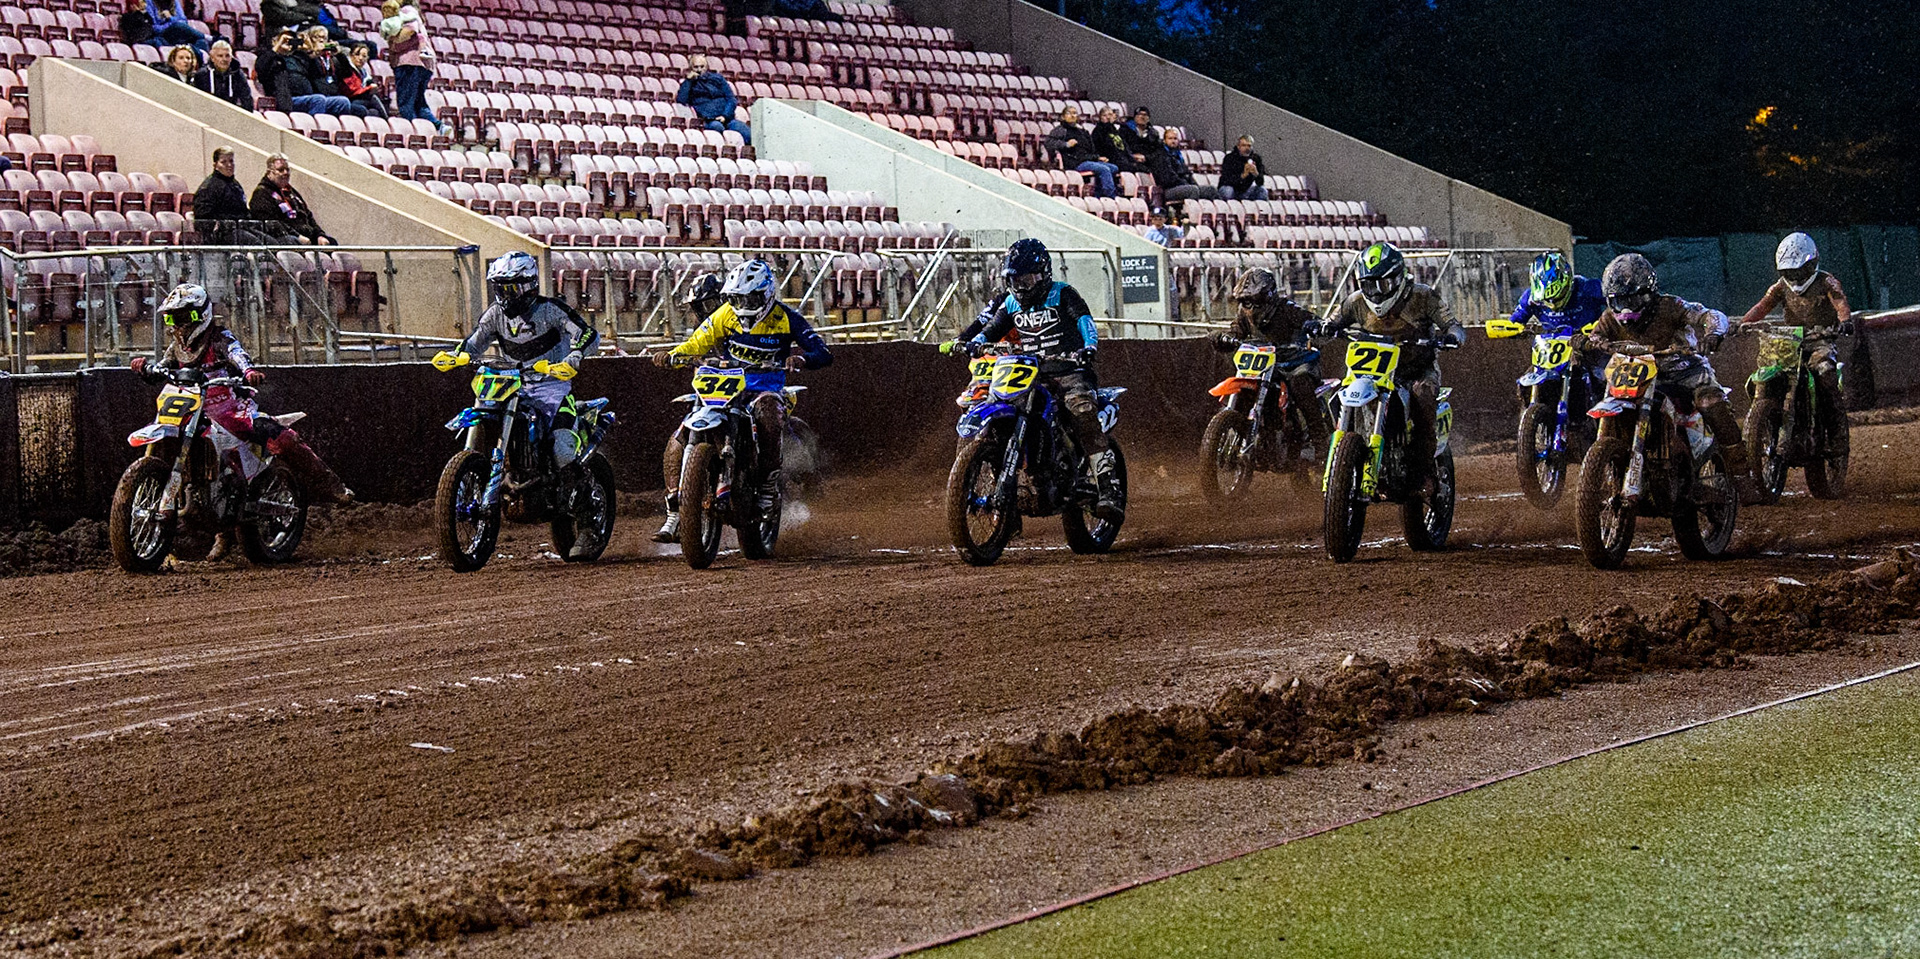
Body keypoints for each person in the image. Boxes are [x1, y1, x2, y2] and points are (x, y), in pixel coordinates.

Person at [648, 259, 832, 542]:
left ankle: (768, 489)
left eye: (750, 297)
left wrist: (802, 359)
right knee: (679, 434)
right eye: (738, 298)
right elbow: (697, 342)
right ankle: (675, 508)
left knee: (769, 416)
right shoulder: (725, 314)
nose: (744, 304)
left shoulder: (787, 318)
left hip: (765, 387)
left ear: (766, 293)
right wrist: (673, 355)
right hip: (725, 385)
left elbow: (822, 351)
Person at [129, 283, 353, 507]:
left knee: (282, 438)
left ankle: (331, 485)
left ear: (202, 314)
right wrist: (145, 369)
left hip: (229, 406)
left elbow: (236, 353)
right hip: (192, 408)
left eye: (183, 316)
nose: (178, 325)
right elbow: (162, 369)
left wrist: (248, 371)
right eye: (172, 319)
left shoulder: (219, 338)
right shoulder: (176, 349)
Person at [966, 238, 1123, 519]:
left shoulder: (1063, 294)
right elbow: (991, 328)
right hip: (1031, 372)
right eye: (1015, 280)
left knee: (1081, 410)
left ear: (1043, 274)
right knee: (1002, 401)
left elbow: (1084, 321)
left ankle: (1109, 487)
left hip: (1069, 371)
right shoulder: (1011, 303)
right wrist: (975, 342)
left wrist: (1089, 347)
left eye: (1027, 279)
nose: (1021, 286)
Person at [1583, 252, 1750, 484]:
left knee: (1712, 404)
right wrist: (1589, 342)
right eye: (1618, 301)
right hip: (1637, 376)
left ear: (1648, 293)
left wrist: (1713, 333)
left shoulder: (1671, 306)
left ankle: (1741, 472)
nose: (1625, 309)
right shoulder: (1609, 318)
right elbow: (1596, 336)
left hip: (1684, 372)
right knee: (1607, 400)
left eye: (1631, 300)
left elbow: (1709, 315)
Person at [1321, 241, 1465, 498]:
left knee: (1423, 397)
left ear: (1398, 278)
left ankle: (1424, 475)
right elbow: (1331, 321)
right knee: (1335, 396)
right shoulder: (1355, 302)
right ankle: (1343, 459)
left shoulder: (1422, 296)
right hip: (1371, 372)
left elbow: (1452, 324)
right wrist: (1322, 327)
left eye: (1382, 284)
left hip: (1416, 372)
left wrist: (1452, 336)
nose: (1375, 292)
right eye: (1368, 285)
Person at [456, 252, 600, 503]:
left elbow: (587, 334)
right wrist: (457, 356)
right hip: (511, 386)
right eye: (500, 288)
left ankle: (586, 504)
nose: (505, 295)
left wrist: (574, 356)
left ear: (530, 286)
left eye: (511, 288)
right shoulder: (494, 315)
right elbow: (473, 342)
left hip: (553, 389)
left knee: (562, 448)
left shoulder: (551, 310)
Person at [1738, 232, 1854, 456]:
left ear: (1811, 264)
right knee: (1769, 373)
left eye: (1798, 271)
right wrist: (1742, 323)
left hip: (1820, 341)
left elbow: (1840, 302)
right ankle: (1767, 421)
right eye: (1789, 272)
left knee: (1825, 374)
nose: (1795, 277)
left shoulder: (1826, 281)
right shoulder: (1780, 287)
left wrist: (1845, 321)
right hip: (1791, 342)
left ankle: (1837, 435)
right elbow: (1762, 306)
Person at [1211, 267, 1329, 445]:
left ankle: (1320, 441)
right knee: (1245, 383)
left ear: (1269, 295)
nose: (1249, 306)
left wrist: (1313, 326)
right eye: (1245, 301)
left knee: (1300, 383)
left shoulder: (1287, 308)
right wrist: (1224, 338)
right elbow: (1236, 331)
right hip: (1264, 364)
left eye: (1254, 300)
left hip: (1294, 361)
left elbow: (1311, 320)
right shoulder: (1245, 313)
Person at [1508, 251, 1607, 405]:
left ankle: (1603, 416)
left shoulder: (1588, 288)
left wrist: (1602, 324)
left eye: (1556, 297)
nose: (1552, 304)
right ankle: (1531, 414)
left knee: (1602, 377)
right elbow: (1515, 321)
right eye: (1546, 300)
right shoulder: (1531, 298)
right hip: (1550, 349)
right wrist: (1510, 329)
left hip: (1588, 346)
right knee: (1526, 380)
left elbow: (1615, 303)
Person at [380, 0, 448, 134]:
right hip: (423, 63)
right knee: (418, 102)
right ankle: (438, 126)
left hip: (410, 62)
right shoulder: (414, 12)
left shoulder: (406, 11)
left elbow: (410, 31)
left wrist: (393, 43)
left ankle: (412, 134)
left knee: (405, 104)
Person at [258, 28, 354, 115]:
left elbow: (317, 71)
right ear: (274, 41)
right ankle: (314, 130)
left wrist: (311, 50)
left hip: (306, 98)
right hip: (286, 100)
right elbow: (261, 68)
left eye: (292, 40)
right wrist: (277, 48)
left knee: (342, 102)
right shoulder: (270, 57)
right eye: (285, 40)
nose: (288, 42)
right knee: (318, 100)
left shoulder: (298, 57)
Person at [249, 153, 336, 244]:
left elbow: (309, 216)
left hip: (306, 236)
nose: (285, 173)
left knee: (331, 242)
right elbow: (271, 224)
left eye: (287, 170)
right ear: (269, 173)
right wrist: (298, 236)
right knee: (293, 241)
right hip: (284, 238)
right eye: (281, 170)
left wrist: (319, 235)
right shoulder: (262, 193)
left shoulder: (292, 192)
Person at [192, 146, 269, 244]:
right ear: (215, 165)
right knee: (255, 244)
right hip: (223, 234)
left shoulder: (235, 185)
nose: (229, 165)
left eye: (231, 161)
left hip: (241, 228)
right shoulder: (209, 187)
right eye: (224, 162)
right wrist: (226, 223)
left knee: (270, 242)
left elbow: (243, 210)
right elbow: (203, 217)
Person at [1043, 105, 1117, 199]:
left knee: (1113, 168)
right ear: (1062, 117)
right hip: (1075, 162)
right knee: (1104, 169)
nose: (1072, 115)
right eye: (1069, 113)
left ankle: (1099, 194)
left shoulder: (1082, 131)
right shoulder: (1060, 130)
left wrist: (1097, 157)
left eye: (1074, 113)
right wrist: (1066, 144)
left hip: (1087, 159)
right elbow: (1048, 142)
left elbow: (1090, 148)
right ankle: (1110, 197)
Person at [677, 54, 751, 146]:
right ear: (691, 68)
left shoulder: (718, 79)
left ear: (706, 67)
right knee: (717, 128)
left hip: (727, 118)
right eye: (696, 67)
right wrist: (688, 81)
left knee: (747, 132)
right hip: (709, 120)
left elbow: (731, 99)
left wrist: (725, 116)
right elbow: (681, 99)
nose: (699, 70)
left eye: (702, 66)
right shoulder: (689, 84)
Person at [1144, 127, 1218, 211]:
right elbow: (1167, 179)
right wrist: (1185, 184)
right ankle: (1190, 215)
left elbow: (1187, 174)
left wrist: (1192, 183)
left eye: (1175, 138)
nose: (1173, 141)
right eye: (1170, 138)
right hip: (1168, 189)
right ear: (1164, 140)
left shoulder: (1178, 156)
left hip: (1182, 186)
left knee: (1211, 190)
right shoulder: (1161, 156)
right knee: (1192, 190)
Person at [120, 0, 209, 56]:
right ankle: (207, 37)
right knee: (178, 26)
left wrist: (171, 18)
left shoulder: (175, 2)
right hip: (164, 34)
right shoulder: (150, 3)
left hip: (179, 34)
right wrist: (172, 23)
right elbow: (154, 27)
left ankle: (202, 68)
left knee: (201, 42)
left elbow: (184, 20)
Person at [334, 40, 388, 118]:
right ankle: (386, 119)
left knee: (374, 112)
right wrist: (368, 90)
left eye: (364, 56)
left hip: (359, 99)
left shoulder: (364, 72)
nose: (360, 58)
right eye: (357, 54)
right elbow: (350, 90)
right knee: (371, 99)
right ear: (351, 55)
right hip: (349, 99)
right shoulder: (346, 69)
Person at [202, 40, 254, 112]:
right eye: (220, 56)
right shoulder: (202, 75)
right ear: (212, 58)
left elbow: (247, 101)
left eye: (227, 56)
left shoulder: (238, 75)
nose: (224, 59)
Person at [1089, 106, 1141, 174]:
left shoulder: (1115, 130)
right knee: (1136, 168)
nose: (1108, 117)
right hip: (1111, 160)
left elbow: (1125, 147)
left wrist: (1132, 159)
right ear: (1100, 117)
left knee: (1144, 166)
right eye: (1105, 115)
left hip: (1123, 159)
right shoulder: (1098, 131)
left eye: (1110, 115)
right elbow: (1106, 149)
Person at [1217, 135, 1268, 201]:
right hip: (1231, 188)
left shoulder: (1256, 159)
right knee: (1228, 191)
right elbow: (1227, 179)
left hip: (1246, 190)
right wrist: (1243, 175)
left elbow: (1260, 182)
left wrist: (1256, 173)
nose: (1247, 148)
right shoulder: (1230, 158)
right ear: (1238, 146)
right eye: (1244, 145)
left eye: (1249, 146)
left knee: (1262, 190)